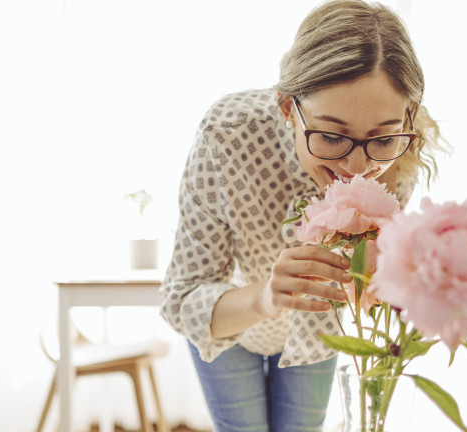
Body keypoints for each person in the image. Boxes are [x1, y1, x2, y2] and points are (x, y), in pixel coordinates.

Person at [159, 1, 445, 431]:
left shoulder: (398, 159)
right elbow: (181, 300)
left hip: (316, 329)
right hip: (229, 326)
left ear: (406, 118)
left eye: (381, 138)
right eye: (331, 136)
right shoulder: (227, 134)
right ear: (288, 108)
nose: (356, 167)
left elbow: (376, 289)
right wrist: (266, 297)